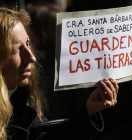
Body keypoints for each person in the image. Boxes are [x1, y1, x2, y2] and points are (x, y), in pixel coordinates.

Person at [0, 7, 118, 140]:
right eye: (16, 50)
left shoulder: (24, 96)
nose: (31, 57)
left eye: (28, 43)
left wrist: (88, 110)